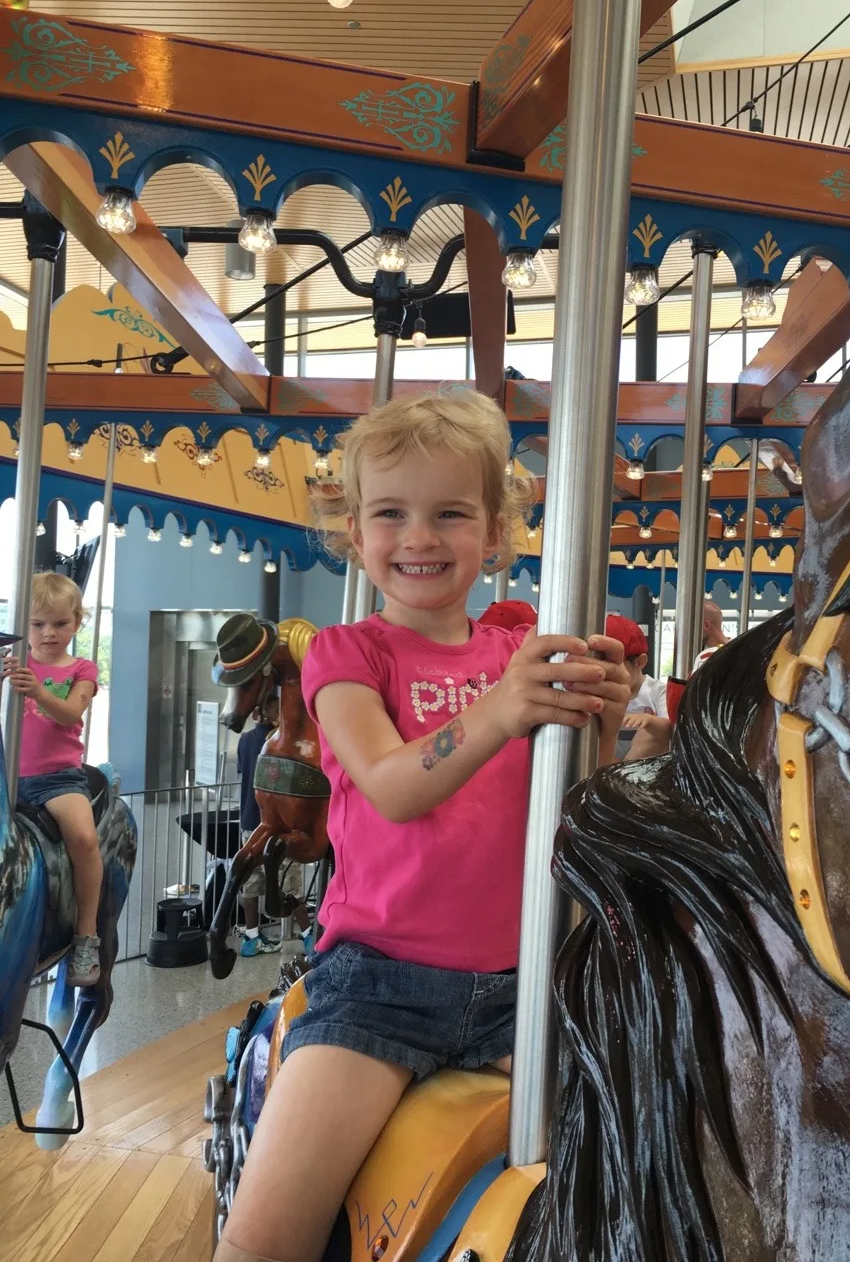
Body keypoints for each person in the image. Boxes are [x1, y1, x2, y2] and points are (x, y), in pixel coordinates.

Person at [214, 390, 630, 1262]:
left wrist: (606, 724)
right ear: (356, 534)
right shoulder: (349, 654)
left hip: (527, 988)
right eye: (391, 514)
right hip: (378, 991)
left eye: (450, 513)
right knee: (261, 1244)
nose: (419, 538)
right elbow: (394, 787)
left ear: (495, 532)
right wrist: (507, 707)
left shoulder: (516, 652)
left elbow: (577, 810)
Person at [1, 573, 101, 986]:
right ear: (24, 624)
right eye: (39, 623)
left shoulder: (81, 668)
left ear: (76, 622)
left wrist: (38, 692)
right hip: (7, 776)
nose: (49, 633)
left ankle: (86, 935)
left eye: (60, 623)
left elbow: (70, 713)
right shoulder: (13, 663)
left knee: (83, 837)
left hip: (55, 780)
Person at [236, 694, 313, 957]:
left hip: (249, 820)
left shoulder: (245, 741)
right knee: (291, 882)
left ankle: (251, 937)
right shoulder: (281, 745)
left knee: (251, 882)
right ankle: (308, 937)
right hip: (277, 825)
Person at [605, 614, 670, 761]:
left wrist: (649, 721)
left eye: (615, 666)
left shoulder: (656, 691)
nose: (607, 674)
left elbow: (670, 730)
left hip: (644, 761)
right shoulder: (603, 691)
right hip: (611, 757)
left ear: (640, 662)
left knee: (647, 735)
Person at [692, 599, 728, 672]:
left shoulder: (707, 658)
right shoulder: (740, 652)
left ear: (706, 625)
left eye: (693, 626)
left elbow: (699, 683)